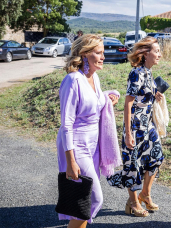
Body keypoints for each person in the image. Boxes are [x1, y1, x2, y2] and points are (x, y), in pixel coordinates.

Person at [57, 34, 120, 228]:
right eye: (98, 53)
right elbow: (66, 124)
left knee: (83, 203)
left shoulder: (94, 78)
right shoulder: (72, 80)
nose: (103, 57)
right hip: (76, 147)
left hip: (94, 146)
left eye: (103, 52)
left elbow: (95, 98)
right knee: (94, 199)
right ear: (84, 54)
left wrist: (109, 96)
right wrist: (70, 161)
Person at [107, 37, 165, 217]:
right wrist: (128, 133)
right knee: (133, 165)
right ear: (145, 53)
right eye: (156, 51)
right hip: (135, 127)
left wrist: (155, 95)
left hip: (148, 125)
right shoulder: (136, 73)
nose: (159, 55)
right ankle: (132, 203)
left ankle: (145, 194)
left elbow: (143, 94)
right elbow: (128, 104)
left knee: (156, 157)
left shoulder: (148, 72)